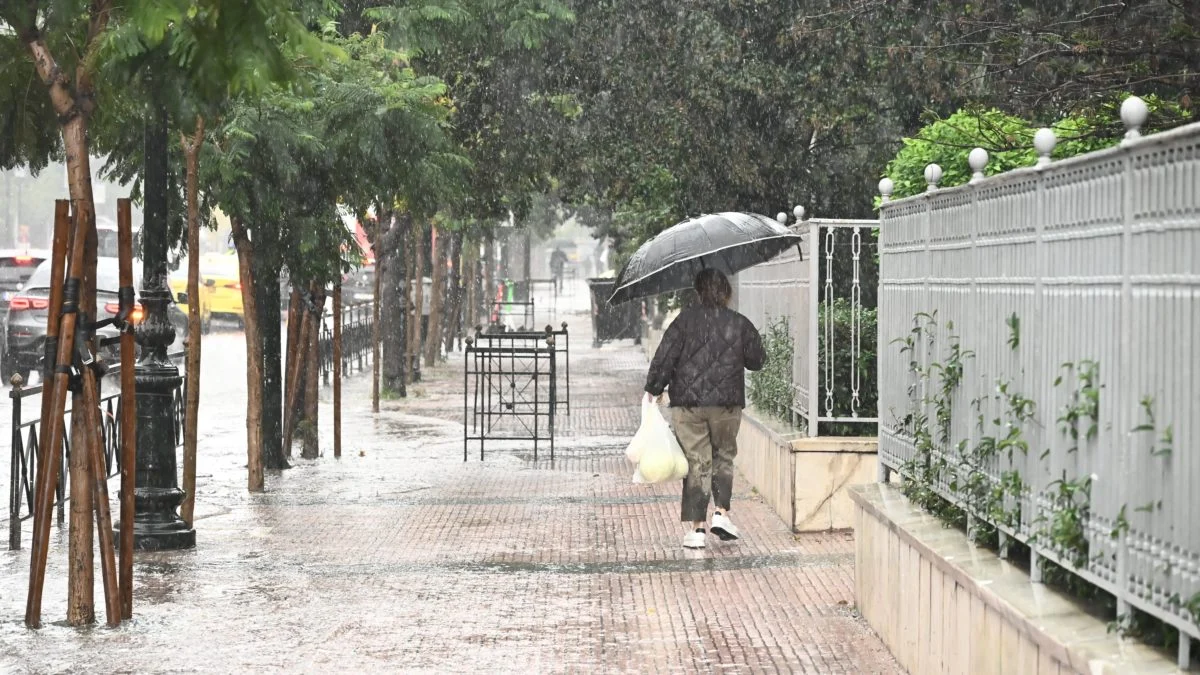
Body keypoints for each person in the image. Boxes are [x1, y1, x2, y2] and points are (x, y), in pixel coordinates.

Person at [644, 268, 765, 549]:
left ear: (698, 292)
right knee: (723, 457)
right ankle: (721, 513)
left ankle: (698, 528)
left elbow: (664, 358)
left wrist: (654, 387)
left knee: (696, 462)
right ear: (727, 292)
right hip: (727, 405)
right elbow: (757, 360)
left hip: (688, 405)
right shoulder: (738, 322)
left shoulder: (683, 322)